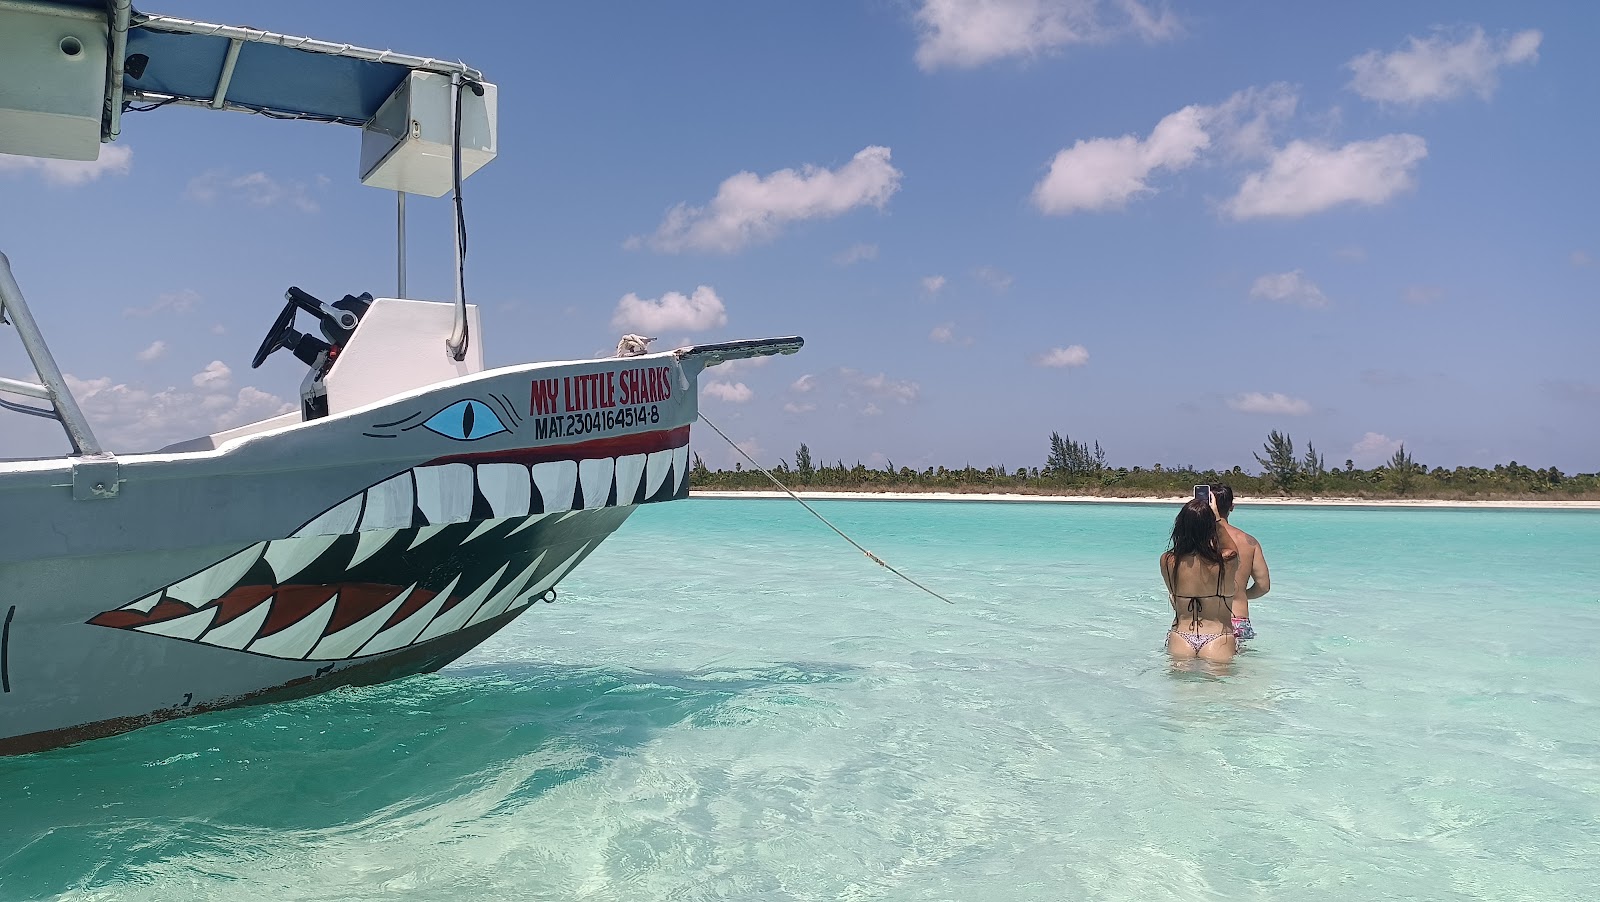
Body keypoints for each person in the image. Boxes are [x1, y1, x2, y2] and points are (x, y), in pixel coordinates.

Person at [1160, 496, 1240, 663]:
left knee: (1180, 688)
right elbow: (1232, 549)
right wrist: (1217, 519)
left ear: (1180, 527)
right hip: (1218, 637)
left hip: (1181, 636)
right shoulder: (1225, 561)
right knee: (1220, 689)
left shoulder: (1167, 561)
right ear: (1210, 528)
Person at [1209, 483, 1270, 640]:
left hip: (1206, 621)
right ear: (1232, 507)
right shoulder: (1250, 542)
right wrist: (1240, 594)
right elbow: (1263, 586)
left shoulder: (1196, 540)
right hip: (1238, 621)